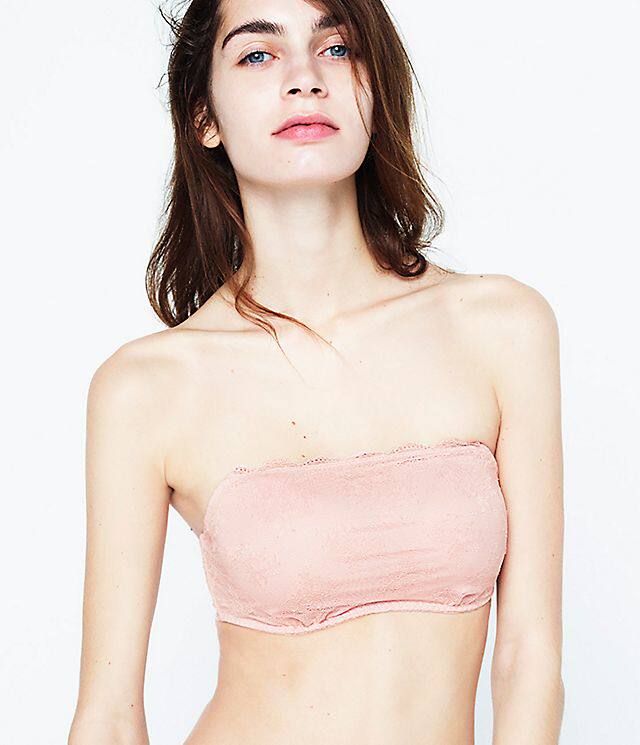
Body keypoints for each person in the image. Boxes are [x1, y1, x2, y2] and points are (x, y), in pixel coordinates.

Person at [68, 0, 565, 742]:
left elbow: (530, 658)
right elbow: (109, 714)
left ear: (376, 89)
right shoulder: (148, 387)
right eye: (258, 55)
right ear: (204, 116)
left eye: (336, 48)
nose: (305, 78)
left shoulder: (501, 327)